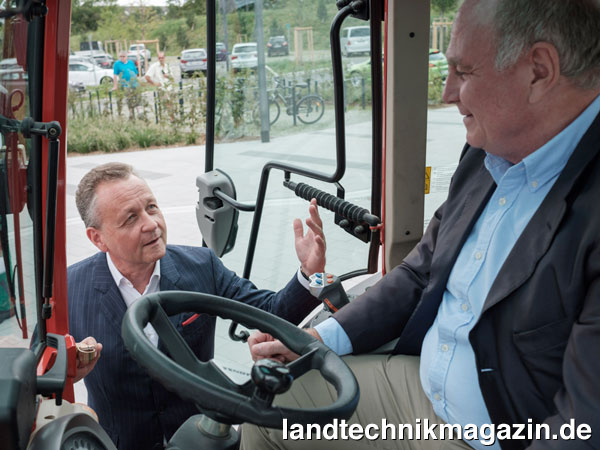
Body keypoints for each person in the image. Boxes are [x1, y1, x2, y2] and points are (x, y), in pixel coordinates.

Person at [242, 0, 600, 449]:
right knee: (265, 412)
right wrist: (313, 340)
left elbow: (583, 428)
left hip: (501, 432)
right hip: (419, 395)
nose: (448, 92)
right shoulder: (487, 153)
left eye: (465, 72)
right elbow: (420, 272)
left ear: (539, 70)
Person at [68, 162, 326, 450]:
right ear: (97, 238)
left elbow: (274, 314)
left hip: (203, 439)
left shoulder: (202, 266)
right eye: (130, 218)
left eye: (151, 207)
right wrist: (66, 375)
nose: (152, 224)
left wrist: (310, 273)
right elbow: (41, 372)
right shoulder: (69, 288)